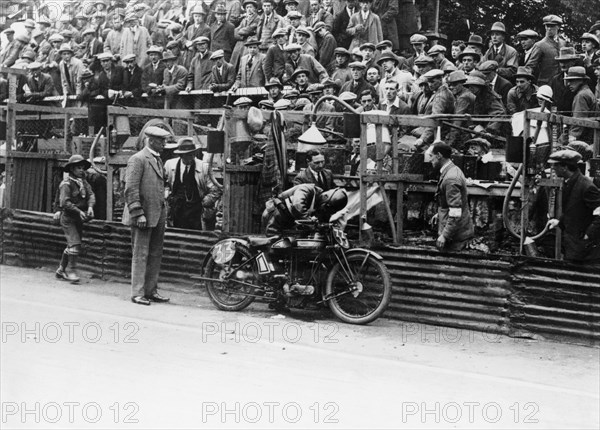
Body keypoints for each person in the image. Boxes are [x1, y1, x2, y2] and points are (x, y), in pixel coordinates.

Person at [123, 126, 171, 306]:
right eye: (162, 141)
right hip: (143, 216)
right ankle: (137, 293)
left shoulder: (156, 159)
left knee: (155, 253)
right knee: (140, 254)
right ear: (151, 141)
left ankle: (150, 290)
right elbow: (131, 189)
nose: (165, 144)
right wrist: (138, 213)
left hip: (157, 214)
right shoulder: (138, 159)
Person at [546, 149, 600, 263]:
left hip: (583, 248)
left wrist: (588, 235)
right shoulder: (570, 182)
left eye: (555, 165)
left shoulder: (586, 186)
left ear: (564, 167)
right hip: (573, 244)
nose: (553, 168)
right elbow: (574, 209)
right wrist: (559, 222)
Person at [164, 138, 222, 230]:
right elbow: (164, 184)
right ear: (181, 155)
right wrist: (168, 196)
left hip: (196, 211)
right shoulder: (169, 165)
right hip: (177, 210)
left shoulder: (204, 167)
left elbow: (216, 189)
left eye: (193, 154)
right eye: (188, 155)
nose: (192, 157)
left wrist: (205, 202)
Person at [55, 155, 96, 283]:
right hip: (68, 218)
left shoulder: (83, 182)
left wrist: (90, 207)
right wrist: (79, 211)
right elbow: (64, 203)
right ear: (72, 169)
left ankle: (61, 270)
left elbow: (91, 194)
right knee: (75, 245)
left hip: (78, 218)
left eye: (83, 168)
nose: (82, 170)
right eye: (79, 167)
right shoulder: (66, 184)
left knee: (72, 245)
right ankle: (71, 271)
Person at [429, 141, 474, 252]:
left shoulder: (451, 178)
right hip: (456, 232)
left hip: (455, 237)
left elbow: (455, 212)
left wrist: (445, 235)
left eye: (431, 156)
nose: (430, 159)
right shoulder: (451, 170)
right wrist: (440, 213)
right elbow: (449, 203)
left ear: (439, 156)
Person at [262, 184, 348, 234]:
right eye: (326, 208)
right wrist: (310, 221)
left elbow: (323, 221)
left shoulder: (321, 206)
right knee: (274, 245)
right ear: (325, 197)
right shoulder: (307, 189)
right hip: (275, 216)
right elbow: (297, 205)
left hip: (288, 221)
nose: (326, 211)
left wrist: (324, 227)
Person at [526, 14, 566, 85]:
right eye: (547, 26)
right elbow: (530, 67)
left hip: (561, 84)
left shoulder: (563, 43)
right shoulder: (540, 45)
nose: (549, 29)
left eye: (552, 26)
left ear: (558, 27)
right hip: (545, 84)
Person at [564, 66, 598, 144]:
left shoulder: (581, 95)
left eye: (572, 81)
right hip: (591, 138)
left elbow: (578, 122)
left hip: (585, 140)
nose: (569, 84)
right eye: (568, 81)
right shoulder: (586, 92)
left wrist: (572, 139)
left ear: (581, 81)